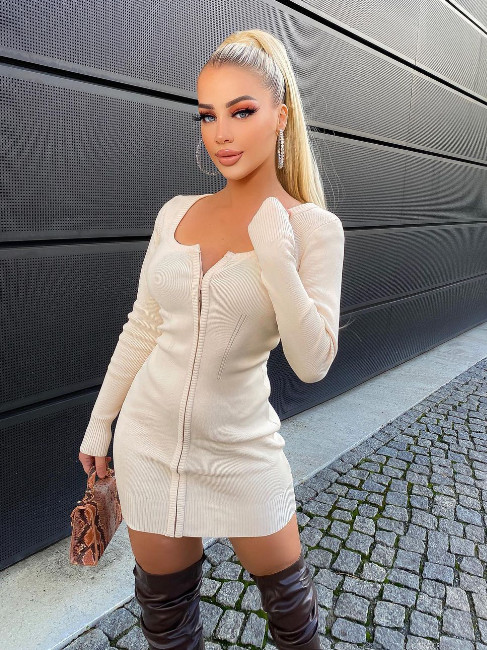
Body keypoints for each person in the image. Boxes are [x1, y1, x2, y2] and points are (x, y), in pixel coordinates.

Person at [78, 28, 345, 650]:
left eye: (241, 111)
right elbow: (142, 327)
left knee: (294, 621)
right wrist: (100, 424)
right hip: (147, 443)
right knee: (167, 625)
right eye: (208, 115)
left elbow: (313, 362)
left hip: (242, 448)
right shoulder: (176, 212)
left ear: (281, 116)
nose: (221, 133)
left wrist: (277, 261)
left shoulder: (314, 228)